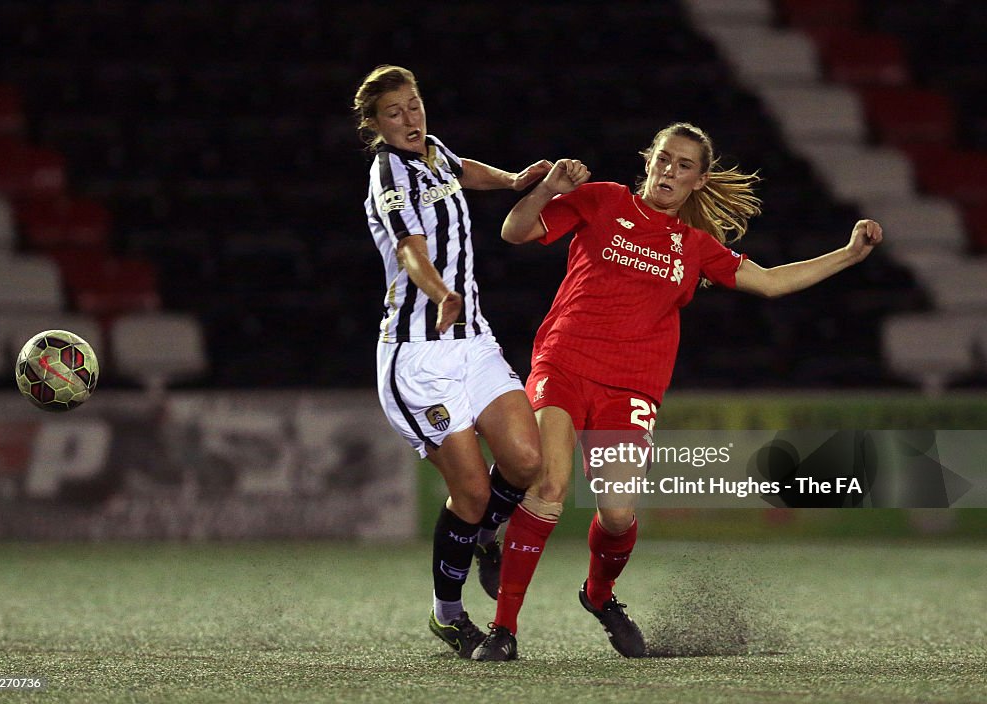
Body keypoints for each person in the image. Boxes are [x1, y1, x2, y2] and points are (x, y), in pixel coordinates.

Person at [471, 122, 884, 661]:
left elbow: (773, 282)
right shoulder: (602, 200)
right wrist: (547, 188)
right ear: (649, 160)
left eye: (684, 165)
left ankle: (599, 596)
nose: (670, 171)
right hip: (565, 364)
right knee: (550, 484)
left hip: (632, 386)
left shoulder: (695, 247)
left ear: (698, 180)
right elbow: (515, 231)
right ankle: (505, 630)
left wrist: (849, 255)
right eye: (664, 159)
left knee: (617, 513)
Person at [353, 65, 567, 659]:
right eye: (394, 113)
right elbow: (410, 249)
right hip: (418, 357)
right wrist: (440, 292)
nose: (410, 119)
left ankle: (485, 537)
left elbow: (460, 169)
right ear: (374, 124)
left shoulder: (433, 152)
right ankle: (448, 615)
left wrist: (512, 180)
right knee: (470, 496)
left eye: (414, 105)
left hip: (472, 341)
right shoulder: (387, 172)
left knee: (526, 462)